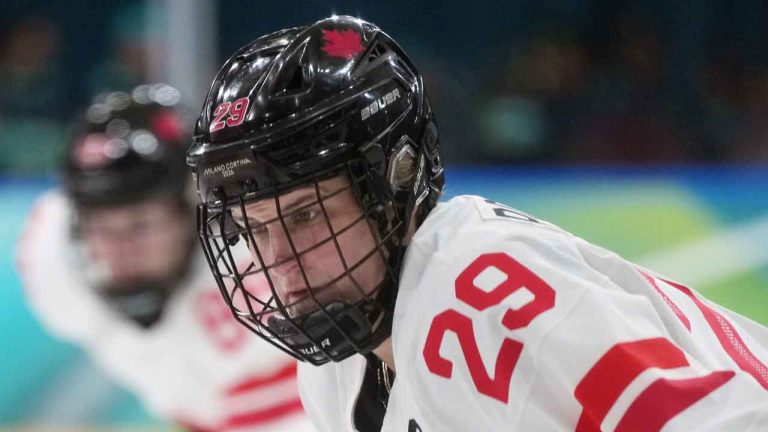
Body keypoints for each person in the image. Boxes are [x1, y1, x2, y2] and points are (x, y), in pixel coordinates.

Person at [186, 16, 768, 431]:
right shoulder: (336, 373)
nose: (278, 260)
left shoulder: (481, 294)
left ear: (394, 184)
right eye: (254, 228)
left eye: (305, 214)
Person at [17, 84, 314, 431]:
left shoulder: (264, 263)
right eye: (99, 226)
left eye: (140, 224)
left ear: (189, 210)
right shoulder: (52, 258)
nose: (120, 248)